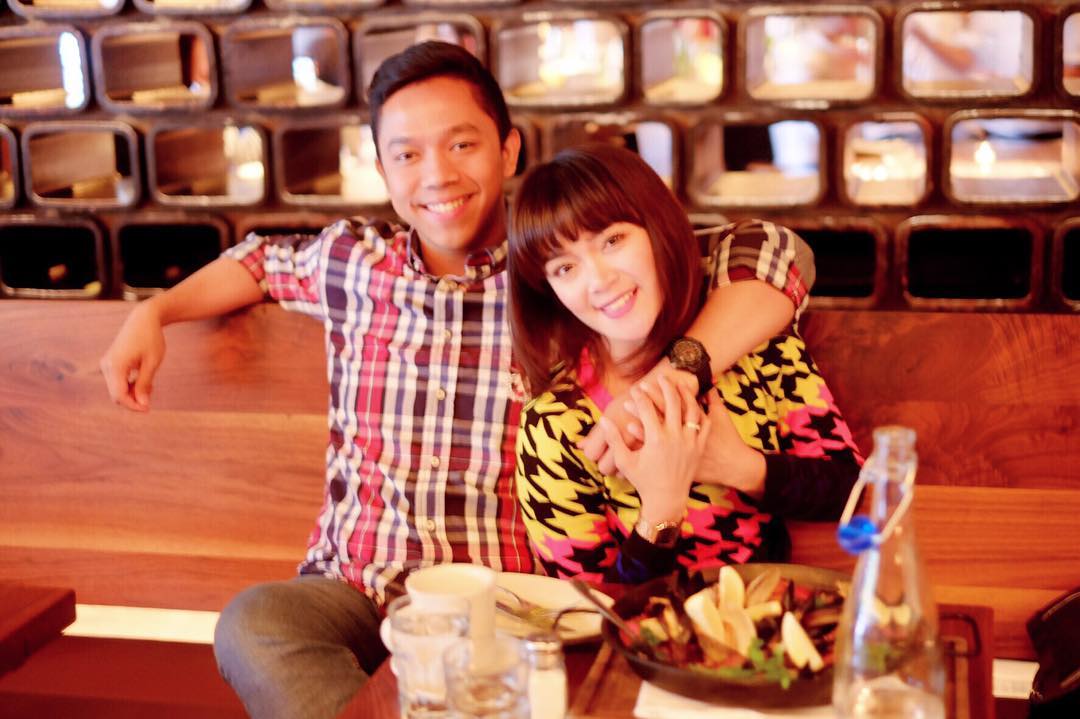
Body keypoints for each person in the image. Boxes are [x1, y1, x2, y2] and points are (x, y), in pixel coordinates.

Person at [99, 42, 813, 719]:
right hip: (355, 588)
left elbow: (776, 252)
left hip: (512, 601)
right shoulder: (351, 262)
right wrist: (154, 312)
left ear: (509, 149)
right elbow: (258, 260)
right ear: (383, 169)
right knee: (255, 623)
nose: (436, 175)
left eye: (461, 144)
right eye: (407, 154)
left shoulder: (562, 270)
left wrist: (674, 372)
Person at [509, 144, 861, 584]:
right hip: (648, 629)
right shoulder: (556, 426)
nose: (599, 280)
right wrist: (661, 508)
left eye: (613, 241)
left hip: (776, 614)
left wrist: (740, 467)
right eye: (565, 268)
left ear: (656, 227)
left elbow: (851, 489)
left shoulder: (754, 346)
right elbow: (587, 603)